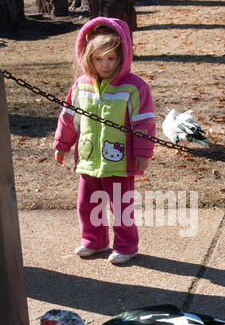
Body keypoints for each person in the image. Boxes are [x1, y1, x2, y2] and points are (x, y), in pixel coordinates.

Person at [53, 17, 156, 264]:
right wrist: (62, 144)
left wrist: (143, 152)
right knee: (86, 205)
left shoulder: (134, 87)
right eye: (99, 59)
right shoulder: (80, 86)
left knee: (120, 208)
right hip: (89, 158)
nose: (105, 64)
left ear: (122, 56)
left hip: (120, 162)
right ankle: (94, 241)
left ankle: (126, 245)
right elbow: (69, 118)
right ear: (89, 57)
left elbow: (144, 122)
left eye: (111, 58)